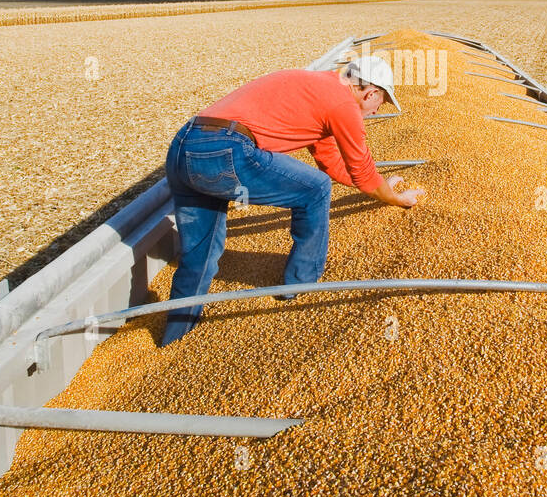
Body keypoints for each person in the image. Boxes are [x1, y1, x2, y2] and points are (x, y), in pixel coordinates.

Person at [159, 54, 425, 345]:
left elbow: (333, 163)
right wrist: (397, 199)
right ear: (370, 92)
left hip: (184, 148)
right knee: (315, 189)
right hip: (226, 149)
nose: (376, 112)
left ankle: (175, 334)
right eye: (380, 103)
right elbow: (361, 171)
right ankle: (301, 286)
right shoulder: (343, 103)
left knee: (201, 252)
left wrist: (379, 186)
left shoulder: (318, 89)